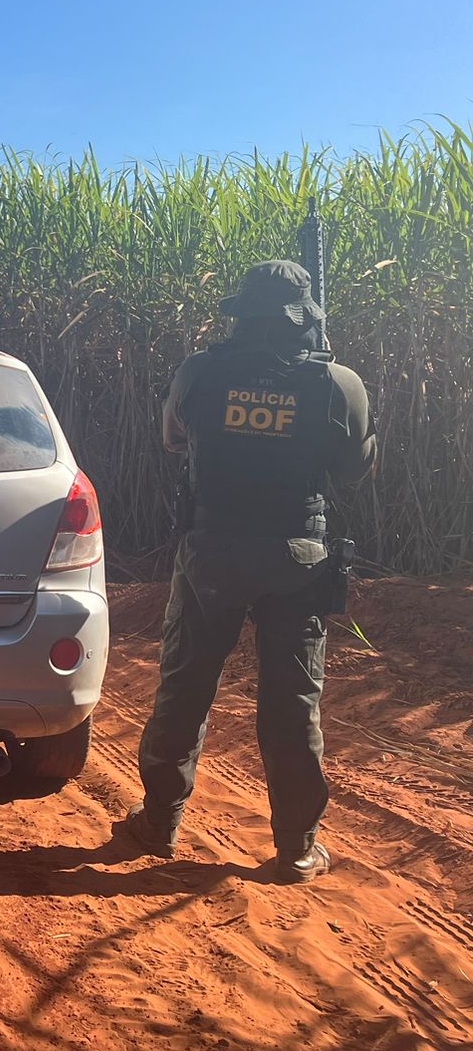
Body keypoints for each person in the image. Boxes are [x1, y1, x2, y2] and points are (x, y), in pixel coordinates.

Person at [120, 260, 376, 883]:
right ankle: (297, 848)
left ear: (241, 314)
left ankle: (159, 822)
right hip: (296, 559)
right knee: (292, 702)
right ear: (304, 318)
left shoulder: (199, 371)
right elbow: (352, 470)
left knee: (186, 686)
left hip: (212, 552)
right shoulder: (338, 383)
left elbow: (174, 441)